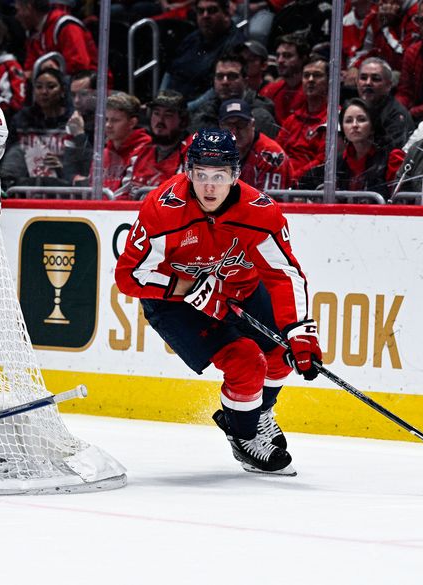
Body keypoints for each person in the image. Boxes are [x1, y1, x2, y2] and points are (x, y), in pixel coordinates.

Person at [115, 128, 321, 476]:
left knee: (283, 349)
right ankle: (244, 436)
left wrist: (300, 329)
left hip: (239, 287)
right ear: (188, 172)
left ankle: (257, 415)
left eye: (219, 176)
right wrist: (185, 287)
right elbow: (130, 277)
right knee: (246, 361)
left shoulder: (260, 212)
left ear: (235, 175)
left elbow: (284, 274)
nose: (209, 187)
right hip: (173, 301)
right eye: (201, 176)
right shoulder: (163, 210)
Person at [299, 98, 401, 198]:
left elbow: (400, 200)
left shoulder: (391, 158)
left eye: (361, 120)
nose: (354, 125)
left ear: (373, 126)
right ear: (342, 128)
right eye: (348, 121)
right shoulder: (337, 162)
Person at [162, 0, 244, 100]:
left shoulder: (235, 44)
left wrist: (183, 110)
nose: (205, 16)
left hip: (199, 109)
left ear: (226, 14)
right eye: (201, 11)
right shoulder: (192, 37)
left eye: (212, 10)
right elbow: (170, 71)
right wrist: (160, 99)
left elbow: (217, 90)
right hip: (170, 104)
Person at [188, 53, 278, 137]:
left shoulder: (260, 116)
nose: (225, 82)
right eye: (220, 76)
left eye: (232, 76)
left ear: (245, 81)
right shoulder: (205, 113)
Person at [218, 98, 292, 192]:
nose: (234, 131)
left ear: (252, 124)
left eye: (241, 124)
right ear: (220, 127)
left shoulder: (271, 155)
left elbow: (268, 202)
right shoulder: (215, 151)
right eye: (228, 126)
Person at [355, 57, 415, 151]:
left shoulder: (397, 116)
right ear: (357, 82)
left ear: (388, 85)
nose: (368, 83)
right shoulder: (353, 109)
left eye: (375, 79)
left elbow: (390, 157)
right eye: (363, 78)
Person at [259, 34, 308, 124]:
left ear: (303, 59)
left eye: (287, 56)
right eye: (278, 55)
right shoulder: (269, 90)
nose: (280, 60)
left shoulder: (311, 91)